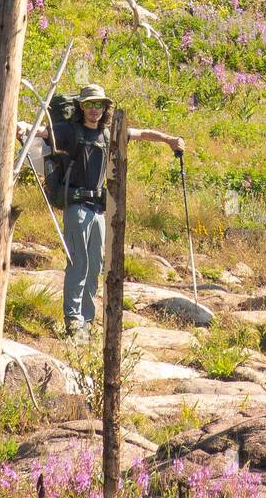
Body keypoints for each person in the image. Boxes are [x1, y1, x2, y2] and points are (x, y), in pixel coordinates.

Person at [18, 83, 184, 338]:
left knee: (96, 265)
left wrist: (169, 140)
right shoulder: (69, 131)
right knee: (78, 263)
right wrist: (23, 127)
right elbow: (40, 131)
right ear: (81, 107)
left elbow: (140, 133)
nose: (94, 110)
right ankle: (73, 321)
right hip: (76, 208)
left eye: (99, 105)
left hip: (98, 210)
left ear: (105, 108)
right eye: (88, 105)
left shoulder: (109, 134)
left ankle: (88, 321)